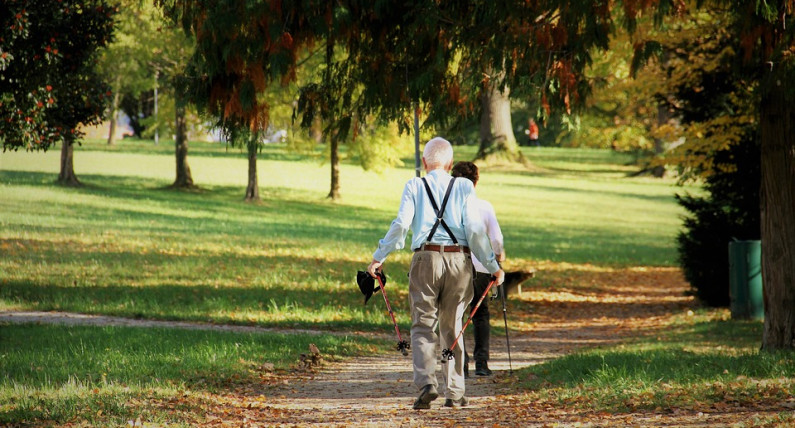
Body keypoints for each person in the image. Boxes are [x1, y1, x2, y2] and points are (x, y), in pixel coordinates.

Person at [367, 137, 505, 410]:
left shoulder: (414, 185)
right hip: (459, 261)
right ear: (450, 164)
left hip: (425, 259)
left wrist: (378, 258)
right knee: (453, 326)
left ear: (424, 162)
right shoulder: (464, 186)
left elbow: (401, 225)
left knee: (422, 324)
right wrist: (493, 266)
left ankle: (427, 384)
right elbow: (476, 232)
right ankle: (455, 392)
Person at [450, 161, 504, 378]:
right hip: (482, 267)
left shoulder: (449, 208)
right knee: (480, 314)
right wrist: (498, 257)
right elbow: (496, 238)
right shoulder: (484, 206)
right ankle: (481, 363)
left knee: (457, 314)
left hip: (456, 265)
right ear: (476, 181)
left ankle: (460, 364)